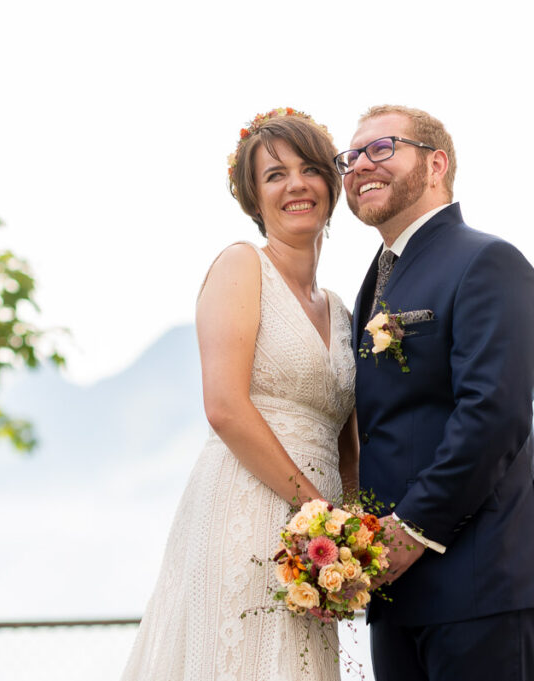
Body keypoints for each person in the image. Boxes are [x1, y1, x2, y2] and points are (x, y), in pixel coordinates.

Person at [340, 105, 534, 681]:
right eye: (350, 157)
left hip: (481, 576)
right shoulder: (376, 279)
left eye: (381, 148)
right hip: (397, 589)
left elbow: (492, 415)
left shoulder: (488, 261)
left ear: (435, 164)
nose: (358, 166)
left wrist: (409, 531)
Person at [121, 108, 358, 680]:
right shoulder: (240, 265)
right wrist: (313, 506)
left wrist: (353, 529)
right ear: (254, 198)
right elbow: (224, 407)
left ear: (331, 181)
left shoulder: (345, 310)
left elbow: (350, 439)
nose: (295, 184)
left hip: (318, 536)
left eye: (308, 169)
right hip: (244, 510)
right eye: (274, 175)